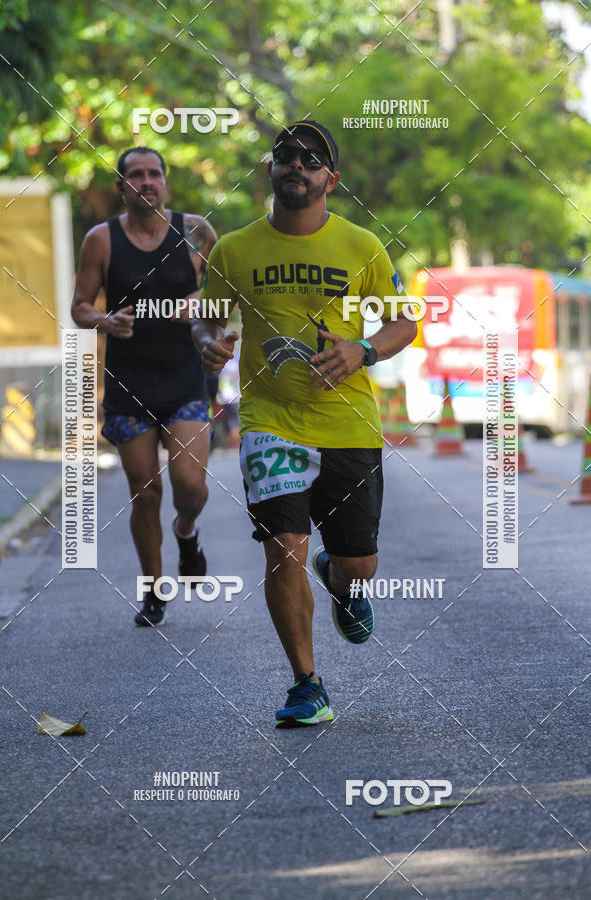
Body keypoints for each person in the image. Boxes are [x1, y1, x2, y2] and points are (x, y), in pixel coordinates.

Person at [192, 120, 417, 726]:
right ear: (270, 169)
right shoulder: (236, 249)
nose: (297, 164)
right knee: (282, 547)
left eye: (312, 158)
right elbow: (209, 321)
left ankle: (342, 581)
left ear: (331, 179)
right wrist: (210, 346)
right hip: (270, 420)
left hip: (348, 422)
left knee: (359, 564)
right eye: (286, 155)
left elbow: (404, 325)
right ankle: (306, 684)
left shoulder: (363, 246)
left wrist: (361, 350)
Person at [71, 146, 216, 627]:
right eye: (136, 175)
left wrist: (200, 303)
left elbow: (222, 294)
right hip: (128, 387)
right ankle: (154, 593)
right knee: (145, 491)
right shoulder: (101, 240)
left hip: (185, 382)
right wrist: (106, 320)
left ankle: (187, 529)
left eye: (155, 173)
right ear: (122, 187)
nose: (147, 181)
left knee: (189, 485)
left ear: (166, 183)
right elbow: (79, 307)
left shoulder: (195, 231)